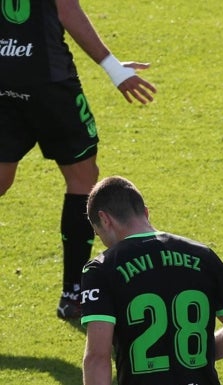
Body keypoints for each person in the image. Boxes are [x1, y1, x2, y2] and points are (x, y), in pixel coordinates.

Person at [0, 0, 157, 319]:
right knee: (82, 179)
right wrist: (114, 69)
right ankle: (73, 294)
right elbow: (66, 8)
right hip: (50, 85)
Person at [80, 176, 223, 385]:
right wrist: (188, 356)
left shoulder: (102, 268)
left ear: (105, 219)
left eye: (99, 234)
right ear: (145, 212)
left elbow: (97, 358)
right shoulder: (203, 256)